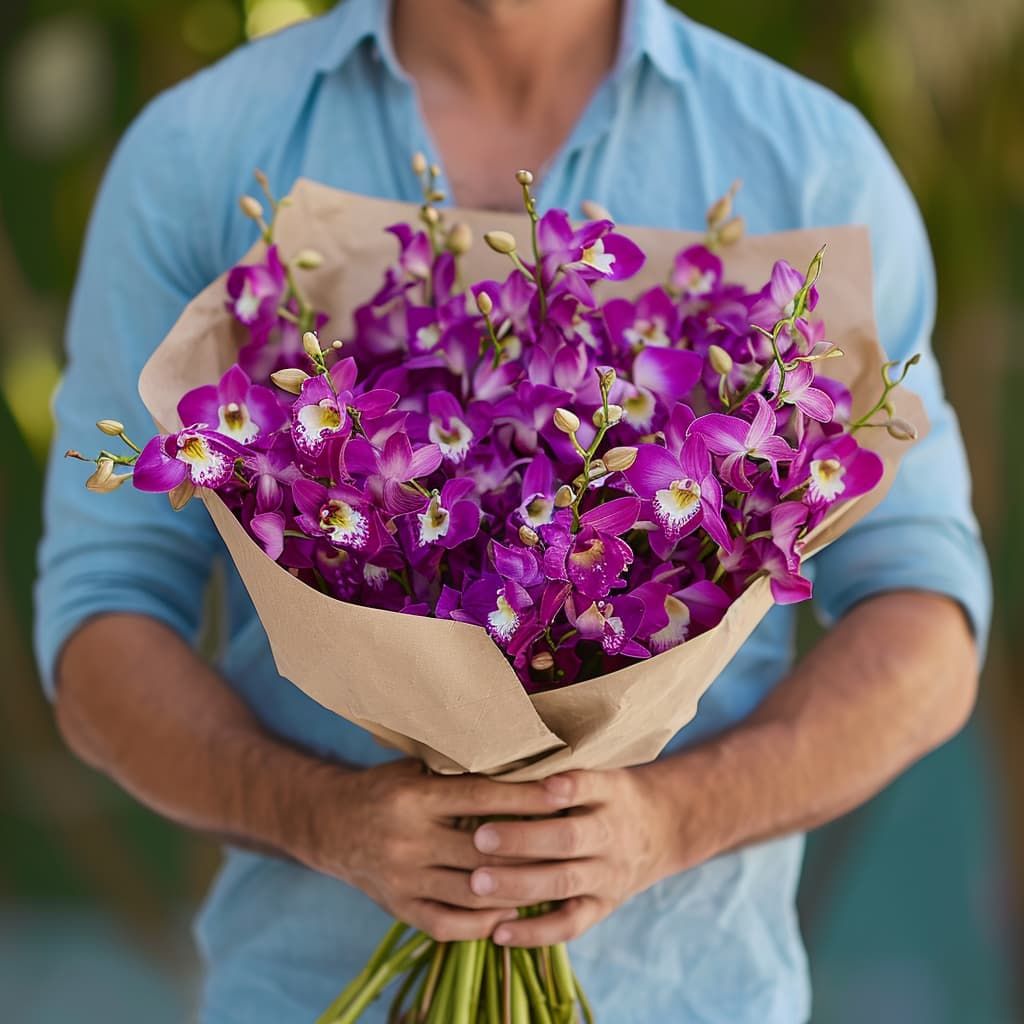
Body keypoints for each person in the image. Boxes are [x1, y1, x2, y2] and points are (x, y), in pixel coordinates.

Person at [35, 0, 990, 1021]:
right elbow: (103, 617)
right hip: (307, 990)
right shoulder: (200, 151)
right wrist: (320, 817)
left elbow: (923, 625)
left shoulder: (810, 161)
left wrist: (672, 819)